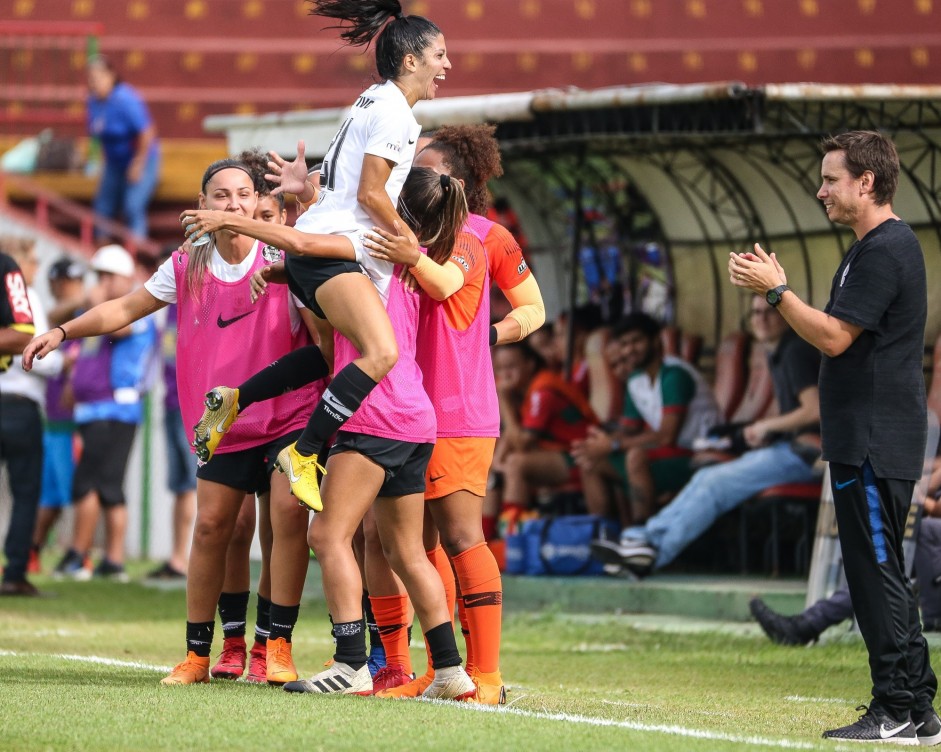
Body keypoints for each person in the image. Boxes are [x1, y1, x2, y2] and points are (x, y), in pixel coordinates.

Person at [24, 160, 324, 686]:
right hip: (222, 420)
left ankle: (275, 646)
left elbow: (325, 331)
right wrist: (64, 332)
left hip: (288, 413)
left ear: (257, 203)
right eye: (221, 196)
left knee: (287, 517)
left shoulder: (284, 258)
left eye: (243, 194)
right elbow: (126, 307)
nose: (233, 205)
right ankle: (201, 654)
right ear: (202, 206)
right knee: (215, 527)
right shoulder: (188, 262)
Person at [187, 167, 478, 698]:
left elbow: (303, 239)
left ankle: (350, 664)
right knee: (407, 552)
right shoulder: (405, 258)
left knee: (327, 535)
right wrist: (286, 268)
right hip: (414, 415)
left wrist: (229, 221)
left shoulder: (366, 247)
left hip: (371, 414)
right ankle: (451, 671)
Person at [180, 0, 452, 514]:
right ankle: (304, 452)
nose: (447, 65)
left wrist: (305, 200)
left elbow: (350, 186)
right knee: (382, 353)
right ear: (411, 59)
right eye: (440, 54)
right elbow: (372, 195)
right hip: (335, 251)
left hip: (319, 249)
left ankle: (236, 399)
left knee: (332, 356)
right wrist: (408, 243)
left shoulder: (370, 100)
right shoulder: (395, 112)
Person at [729, 130, 939, 745]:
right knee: (881, 573)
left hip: (874, 438)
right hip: (866, 437)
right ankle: (918, 708)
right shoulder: (871, 247)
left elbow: (834, 337)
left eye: (830, 179)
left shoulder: (884, 249)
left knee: (875, 574)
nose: (819, 191)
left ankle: (895, 704)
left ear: (866, 182)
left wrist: (776, 289)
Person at [359, 123, 546, 702]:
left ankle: (484, 675)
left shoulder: (481, 236)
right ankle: (419, 668)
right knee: (399, 541)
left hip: (459, 411)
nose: (411, 173)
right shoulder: (398, 232)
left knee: (463, 535)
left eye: (424, 166)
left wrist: (489, 334)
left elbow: (534, 308)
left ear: (456, 181)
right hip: (400, 407)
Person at [589, 296, 821, 577]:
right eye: (755, 313)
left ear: (786, 313)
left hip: (809, 454)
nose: (761, 318)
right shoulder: (780, 351)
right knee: (706, 478)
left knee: (714, 483)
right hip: (789, 448)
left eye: (769, 311)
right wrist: (766, 430)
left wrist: (766, 427)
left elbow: (815, 410)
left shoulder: (795, 350)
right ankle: (641, 540)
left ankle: (650, 552)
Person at [51, 245, 157, 582]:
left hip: (116, 408)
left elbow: (117, 327)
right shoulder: (98, 307)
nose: (101, 283)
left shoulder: (140, 307)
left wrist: (94, 300)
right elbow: (72, 330)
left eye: (108, 275)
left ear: (126, 277)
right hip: (93, 408)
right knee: (103, 484)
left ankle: (81, 556)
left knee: (96, 484)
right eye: (98, 275)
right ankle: (109, 562)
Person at [573, 312, 719, 527]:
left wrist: (613, 444)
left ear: (655, 341)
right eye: (624, 344)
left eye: (637, 341)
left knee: (636, 457)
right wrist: (600, 442)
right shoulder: (636, 379)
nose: (630, 349)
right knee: (590, 460)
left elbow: (667, 436)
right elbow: (628, 429)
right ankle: (602, 534)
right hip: (671, 454)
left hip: (702, 454)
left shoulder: (674, 375)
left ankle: (640, 536)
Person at [30, 257, 85, 572]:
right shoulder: (53, 319)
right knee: (49, 492)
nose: (65, 289)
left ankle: (81, 554)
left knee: (75, 490)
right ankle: (32, 553)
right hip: (52, 416)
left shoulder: (80, 317)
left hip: (72, 419)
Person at [0, 239, 46, 596]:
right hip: (19, 402)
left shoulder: (8, 271)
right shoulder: (12, 272)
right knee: (25, 491)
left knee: (27, 490)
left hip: (16, 403)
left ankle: (16, 570)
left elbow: (22, 335)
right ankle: (14, 572)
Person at [86, 55, 160, 240]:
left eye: (99, 78)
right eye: (91, 79)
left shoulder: (125, 99)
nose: (95, 83)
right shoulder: (93, 102)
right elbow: (100, 134)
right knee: (102, 207)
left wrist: (138, 163)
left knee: (132, 206)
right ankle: (101, 252)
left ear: (111, 76)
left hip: (139, 157)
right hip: (114, 162)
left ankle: (136, 252)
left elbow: (147, 131)